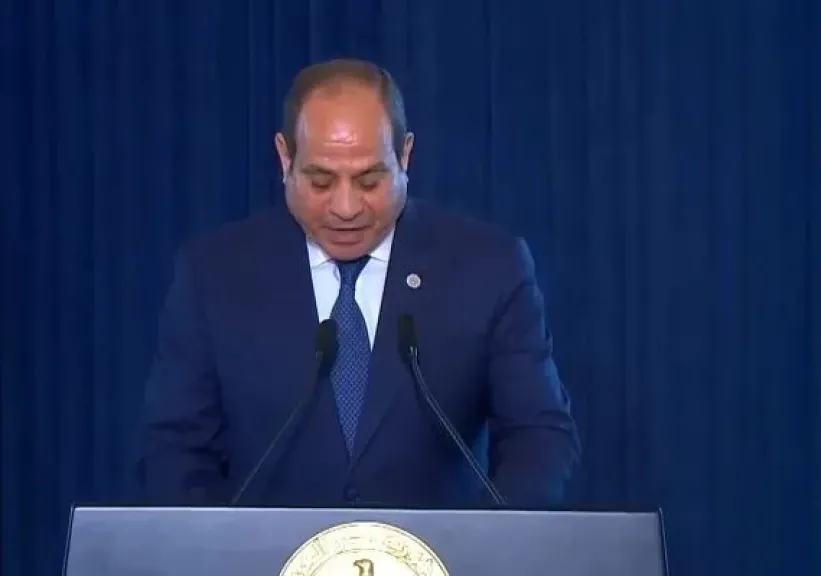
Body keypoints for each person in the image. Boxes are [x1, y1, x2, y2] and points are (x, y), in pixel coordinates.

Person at [137, 58, 580, 508]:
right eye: (321, 182)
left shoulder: (488, 268)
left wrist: (488, 542)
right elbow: (176, 447)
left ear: (404, 156)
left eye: (369, 181)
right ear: (285, 158)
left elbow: (538, 435)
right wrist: (217, 543)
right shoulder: (215, 273)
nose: (345, 208)